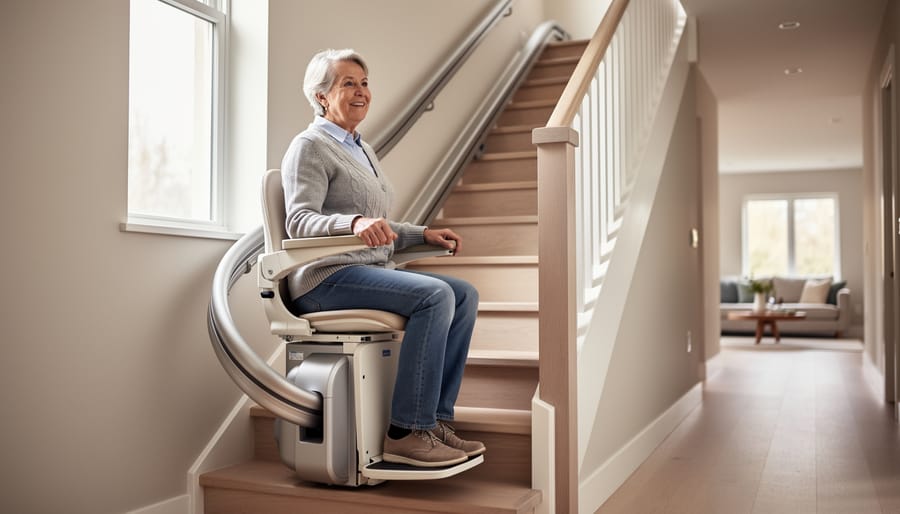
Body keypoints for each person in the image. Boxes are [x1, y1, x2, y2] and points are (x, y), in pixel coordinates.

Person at [281, 48, 485, 468]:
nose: (361, 91)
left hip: (363, 268)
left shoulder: (361, 148)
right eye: (347, 83)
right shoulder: (310, 147)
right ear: (321, 97)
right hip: (324, 278)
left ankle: (432, 422)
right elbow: (299, 220)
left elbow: (378, 225)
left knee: (462, 294)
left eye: (364, 82)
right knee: (435, 296)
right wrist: (350, 223)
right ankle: (406, 432)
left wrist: (421, 233)